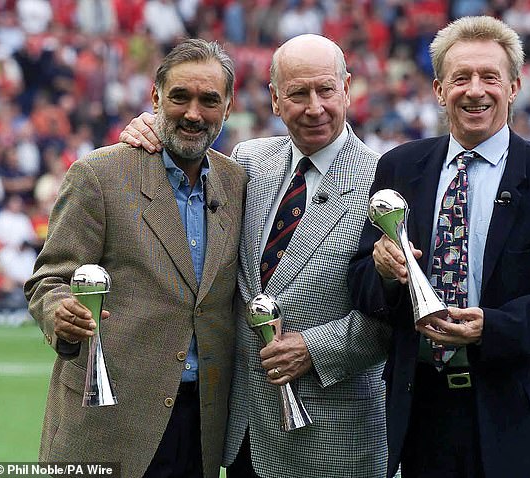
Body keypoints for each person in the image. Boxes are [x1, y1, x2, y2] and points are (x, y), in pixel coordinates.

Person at [120, 34, 391, 478]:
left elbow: (393, 314)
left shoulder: (385, 180)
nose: (314, 106)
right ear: (275, 99)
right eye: (297, 93)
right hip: (245, 432)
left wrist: (314, 349)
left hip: (334, 440)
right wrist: (146, 126)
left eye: (325, 90)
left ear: (347, 88)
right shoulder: (249, 161)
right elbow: (182, 154)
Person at [348, 15, 530, 478]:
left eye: (490, 77)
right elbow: (363, 288)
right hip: (422, 413)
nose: (475, 90)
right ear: (437, 88)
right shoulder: (399, 169)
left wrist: (495, 328)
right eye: (460, 77)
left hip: (521, 419)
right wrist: (382, 271)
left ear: (513, 87)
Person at [24, 39, 247, 478]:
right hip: (107, 422)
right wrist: (60, 312)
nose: (193, 113)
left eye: (209, 100)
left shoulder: (237, 181)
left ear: (228, 106)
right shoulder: (99, 175)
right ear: (155, 97)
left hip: (199, 429)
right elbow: (48, 279)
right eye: (179, 96)